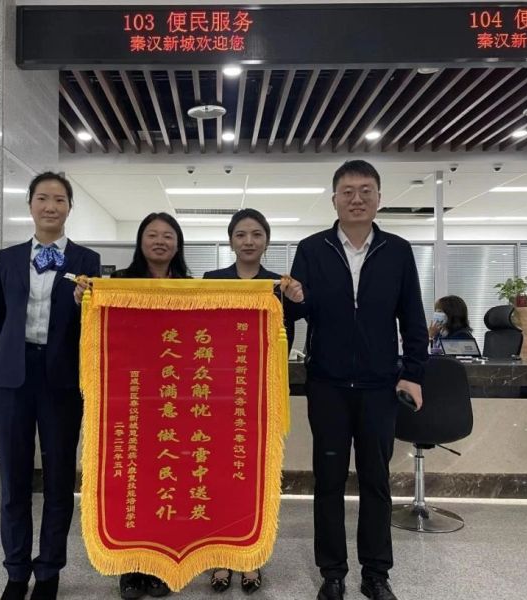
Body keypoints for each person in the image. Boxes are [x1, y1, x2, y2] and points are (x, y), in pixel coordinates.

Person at [285, 160, 428, 600]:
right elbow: (294, 314)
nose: (357, 199)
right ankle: (332, 573)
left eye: (366, 190)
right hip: (327, 385)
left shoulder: (397, 251)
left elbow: (413, 318)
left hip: (379, 386)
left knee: (375, 481)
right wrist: (292, 300)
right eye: (347, 191)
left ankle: (376, 573)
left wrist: (413, 374)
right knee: (328, 481)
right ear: (334, 200)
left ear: (379, 198)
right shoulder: (312, 249)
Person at [0, 172, 101, 600]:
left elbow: (96, 325)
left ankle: (49, 571)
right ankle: (16, 572)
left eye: (59, 199)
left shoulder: (87, 260)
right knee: (13, 478)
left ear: (70, 207)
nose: (50, 206)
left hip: (62, 379)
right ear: (30, 204)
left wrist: (85, 305)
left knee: (58, 479)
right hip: (11, 378)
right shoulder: (7, 258)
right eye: (42, 198)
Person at [76, 211, 189, 599]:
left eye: (168, 235)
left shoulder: (193, 287)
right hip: (130, 401)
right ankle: (130, 569)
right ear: (141, 241)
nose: (160, 241)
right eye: (152, 234)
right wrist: (85, 299)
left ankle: (161, 567)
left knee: (169, 484)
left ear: (178, 244)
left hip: (174, 400)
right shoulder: (119, 283)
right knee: (132, 485)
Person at [202, 208, 294, 595]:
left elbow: (290, 333)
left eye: (256, 234)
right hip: (219, 395)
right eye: (241, 234)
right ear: (231, 240)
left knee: (255, 479)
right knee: (219, 477)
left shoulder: (278, 285)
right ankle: (221, 557)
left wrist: (297, 297)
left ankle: (251, 557)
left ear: (266, 240)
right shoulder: (211, 281)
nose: (249, 241)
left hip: (260, 397)